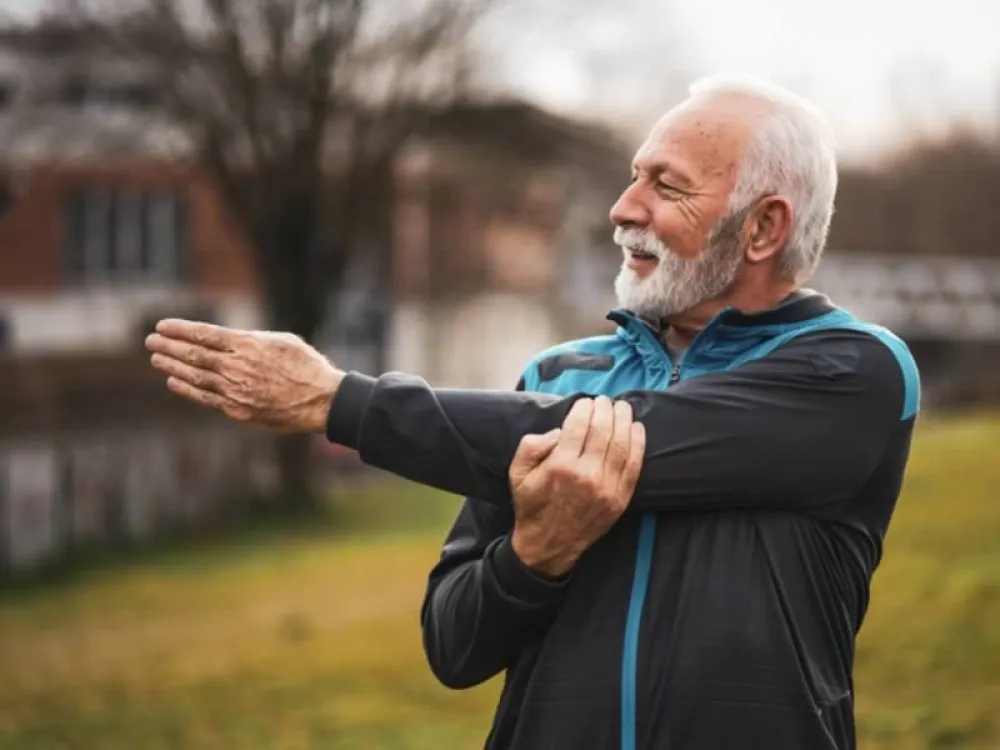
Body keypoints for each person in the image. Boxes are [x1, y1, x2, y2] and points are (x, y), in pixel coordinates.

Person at [145, 73, 920, 750]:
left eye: (667, 185)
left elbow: (633, 437)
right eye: (633, 176)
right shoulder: (554, 377)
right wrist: (535, 558)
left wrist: (336, 401)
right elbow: (454, 647)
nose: (624, 208)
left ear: (763, 228)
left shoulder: (856, 372)